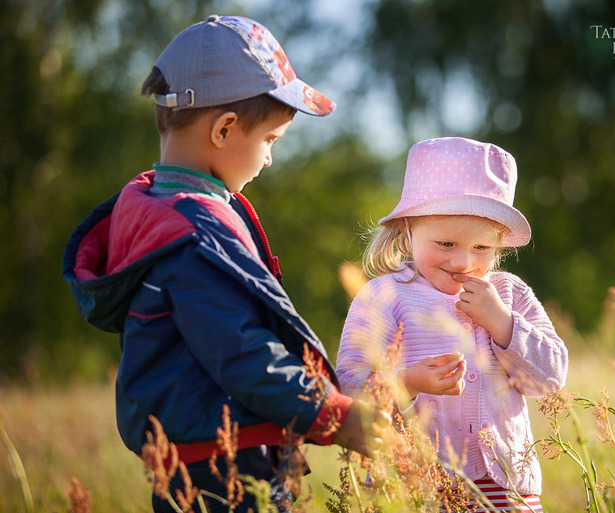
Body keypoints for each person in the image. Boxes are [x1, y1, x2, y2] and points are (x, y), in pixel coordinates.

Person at [62, 15, 389, 513]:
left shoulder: (157, 210)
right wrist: (334, 415)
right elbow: (242, 352)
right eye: (271, 141)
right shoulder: (193, 234)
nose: (270, 160)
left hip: (200, 460)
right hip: (224, 471)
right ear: (224, 129)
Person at [336, 137, 568, 512]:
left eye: (481, 248)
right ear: (408, 230)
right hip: (415, 491)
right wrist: (408, 382)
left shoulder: (509, 295)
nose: (462, 262)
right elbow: (349, 389)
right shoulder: (385, 296)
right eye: (446, 244)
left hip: (506, 491)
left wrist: (503, 324)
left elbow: (551, 379)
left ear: (499, 244)